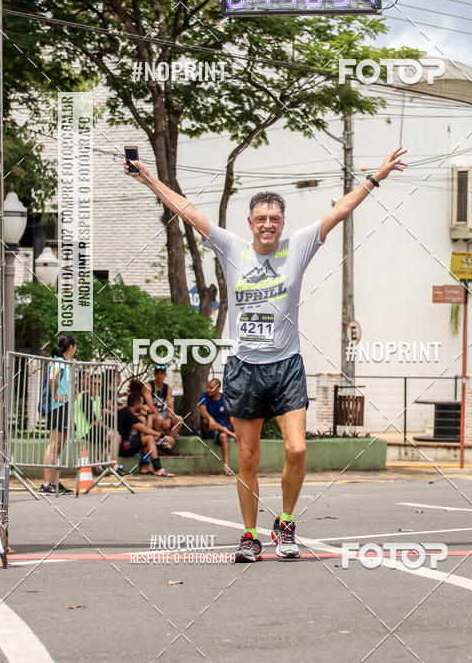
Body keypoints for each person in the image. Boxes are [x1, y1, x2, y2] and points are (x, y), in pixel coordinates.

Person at [125, 146, 407, 560]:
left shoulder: (298, 246)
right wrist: (148, 177)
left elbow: (341, 210)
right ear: (250, 222)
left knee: (297, 449)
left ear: (282, 222)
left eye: (274, 218)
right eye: (261, 218)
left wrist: (376, 175)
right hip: (244, 369)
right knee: (249, 459)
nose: (268, 224)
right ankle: (250, 535)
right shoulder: (231, 248)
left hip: (286, 366)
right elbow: (188, 211)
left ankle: (286, 523)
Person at [41, 334, 77, 496]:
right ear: (71, 347)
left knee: (59, 445)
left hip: (63, 406)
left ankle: (53, 481)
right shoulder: (60, 362)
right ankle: (47, 482)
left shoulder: (62, 363)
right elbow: (52, 377)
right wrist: (55, 395)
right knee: (55, 444)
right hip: (59, 406)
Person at [118, 393, 175, 477]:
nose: (143, 406)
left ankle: (145, 467)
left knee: (145, 438)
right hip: (122, 446)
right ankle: (158, 468)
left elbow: (145, 430)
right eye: (142, 404)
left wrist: (148, 415)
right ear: (137, 405)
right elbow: (143, 429)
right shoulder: (127, 413)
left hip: (126, 443)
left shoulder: (128, 412)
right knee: (149, 438)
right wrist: (163, 436)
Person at [199, 378, 236, 476]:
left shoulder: (224, 399)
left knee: (223, 436)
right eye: (208, 387)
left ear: (218, 388)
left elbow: (231, 417)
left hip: (221, 429)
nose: (208, 390)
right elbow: (202, 410)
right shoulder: (204, 396)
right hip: (208, 428)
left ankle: (226, 467)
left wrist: (236, 429)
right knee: (206, 421)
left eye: (211, 388)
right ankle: (232, 434)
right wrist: (211, 419)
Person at [143, 364, 184, 450]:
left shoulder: (167, 388)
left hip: (162, 413)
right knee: (159, 418)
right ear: (155, 375)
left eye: (162, 374)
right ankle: (158, 444)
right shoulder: (148, 386)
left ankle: (167, 445)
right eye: (158, 373)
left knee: (179, 419)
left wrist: (169, 419)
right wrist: (159, 416)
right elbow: (150, 404)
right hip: (150, 414)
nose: (160, 376)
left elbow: (170, 405)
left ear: (165, 375)